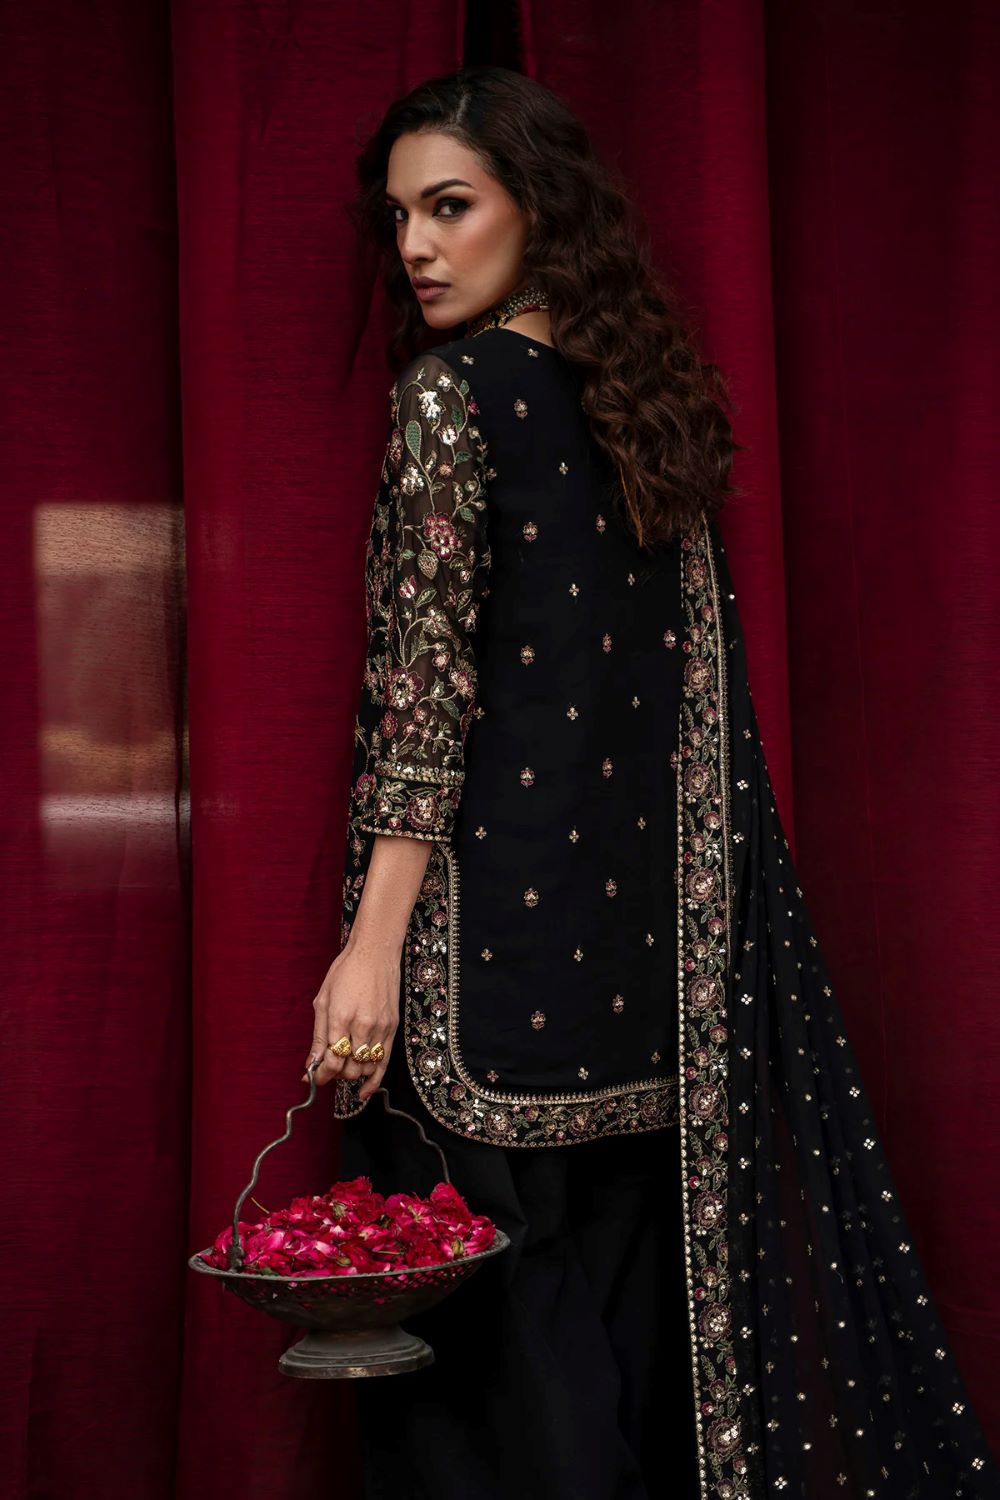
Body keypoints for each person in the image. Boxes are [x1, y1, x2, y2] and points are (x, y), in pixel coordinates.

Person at [303, 66, 1000, 1500]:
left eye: (451, 207)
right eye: (400, 218)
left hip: (483, 979)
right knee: (630, 1350)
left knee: (496, 1378)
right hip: (651, 983)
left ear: (538, 208)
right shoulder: (645, 407)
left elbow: (423, 701)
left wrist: (368, 951)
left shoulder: (451, 401)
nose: (418, 247)